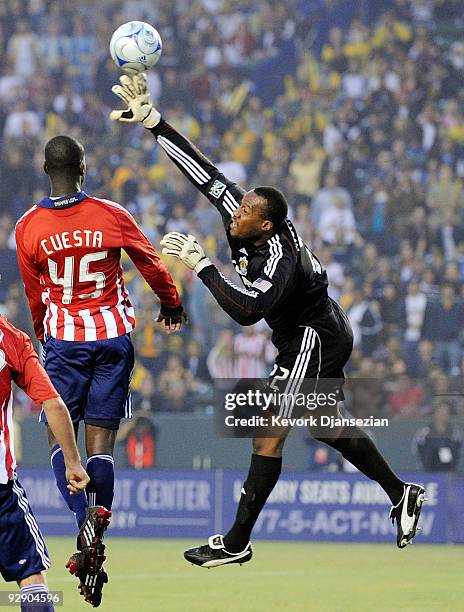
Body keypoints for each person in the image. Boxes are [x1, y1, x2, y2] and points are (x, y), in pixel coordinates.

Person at [110, 73, 426, 566]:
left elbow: (249, 312)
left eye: (246, 213)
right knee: (323, 425)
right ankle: (401, 492)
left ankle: (236, 543)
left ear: (267, 225)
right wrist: (154, 122)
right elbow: (203, 171)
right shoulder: (245, 212)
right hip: (310, 332)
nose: (235, 215)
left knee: (268, 429)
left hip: (312, 336)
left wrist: (203, 266)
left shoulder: (280, 259)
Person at [15, 132, 187, 603]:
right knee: (102, 445)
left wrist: (43, 334)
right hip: (113, 338)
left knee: (59, 437)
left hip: (65, 342)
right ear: (84, 169)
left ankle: (82, 521)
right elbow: (150, 262)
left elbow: (35, 293)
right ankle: (100, 533)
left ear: (46, 170)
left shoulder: (28, 227)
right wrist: (171, 303)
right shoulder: (112, 214)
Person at [0, 315, 89, 611]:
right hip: (0, 490)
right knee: (30, 577)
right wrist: (73, 463)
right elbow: (53, 403)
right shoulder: (9, 338)